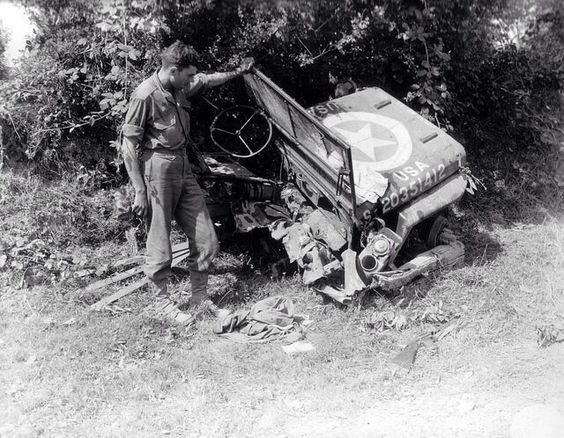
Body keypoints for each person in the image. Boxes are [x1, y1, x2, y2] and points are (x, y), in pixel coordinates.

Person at [121, 40, 253, 322]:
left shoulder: (180, 87)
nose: (193, 80)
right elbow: (128, 146)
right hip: (157, 169)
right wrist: (139, 191)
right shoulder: (145, 95)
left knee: (207, 238)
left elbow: (207, 80)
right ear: (172, 70)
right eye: (188, 75)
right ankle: (162, 305)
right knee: (159, 240)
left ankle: (199, 299)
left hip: (183, 166)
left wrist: (237, 72)